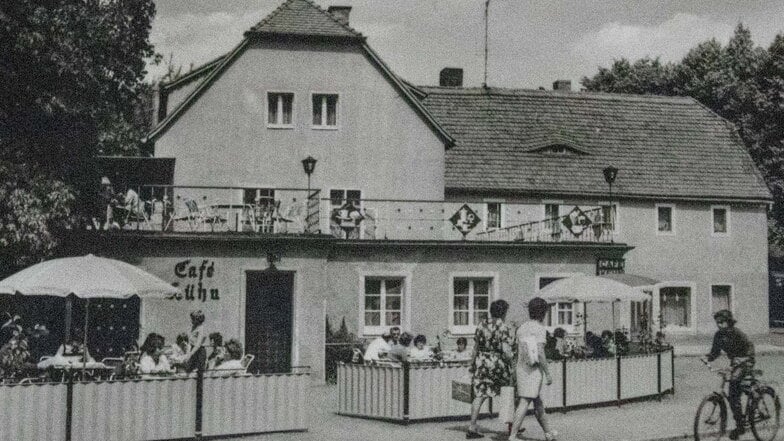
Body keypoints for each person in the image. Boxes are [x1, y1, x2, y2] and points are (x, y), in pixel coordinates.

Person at [701, 310, 755, 440]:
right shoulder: (718, 335)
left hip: (746, 361)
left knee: (734, 389)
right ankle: (740, 417)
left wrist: (743, 359)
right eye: (717, 322)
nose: (719, 325)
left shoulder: (737, 333)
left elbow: (750, 347)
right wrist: (707, 358)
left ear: (729, 322)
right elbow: (715, 352)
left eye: (722, 322)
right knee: (732, 389)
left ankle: (740, 426)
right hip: (734, 363)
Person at [508, 297, 557, 441]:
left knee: (537, 402)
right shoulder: (540, 329)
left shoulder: (522, 328)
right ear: (542, 312)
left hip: (521, 368)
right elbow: (540, 353)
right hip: (533, 370)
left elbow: (518, 352)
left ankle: (548, 433)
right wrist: (547, 373)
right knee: (525, 401)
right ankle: (512, 436)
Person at [466, 299, 515, 439]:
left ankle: (472, 426)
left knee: (480, 394)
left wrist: (472, 364)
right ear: (503, 312)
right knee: (508, 392)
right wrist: (511, 363)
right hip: (497, 363)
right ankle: (512, 427)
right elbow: (506, 350)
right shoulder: (503, 327)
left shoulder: (481, 324)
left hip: (482, 362)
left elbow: (475, 347)